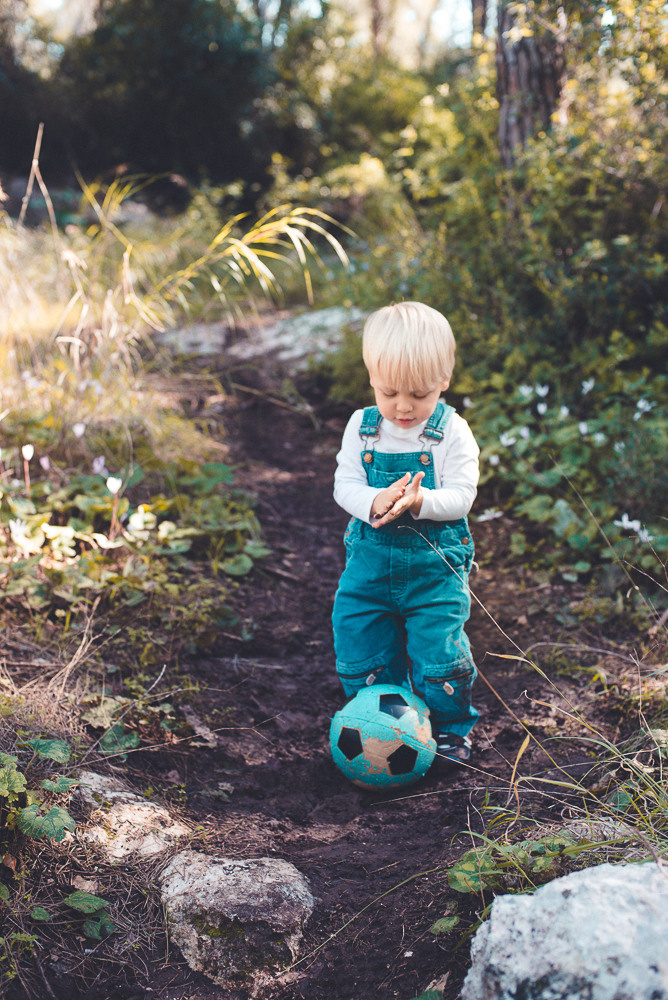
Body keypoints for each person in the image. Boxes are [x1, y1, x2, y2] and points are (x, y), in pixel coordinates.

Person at [331, 301, 480, 766]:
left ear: (444, 380)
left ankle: (451, 731)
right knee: (361, 643)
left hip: (435, 571)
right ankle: (381, 726)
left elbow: (462, 495)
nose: (402, 406)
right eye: (389, 391)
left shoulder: (452, 432)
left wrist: (422, 502)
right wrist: (372, 501)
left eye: (418, 394)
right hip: (370, 569)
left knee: (441, 657)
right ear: (371, 377)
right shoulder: (364, 427)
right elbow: (344, 485)